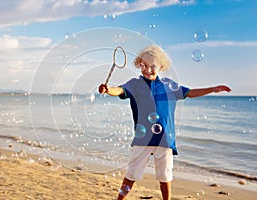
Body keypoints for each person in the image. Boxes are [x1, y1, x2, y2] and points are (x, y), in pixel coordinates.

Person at [98, 45, 231, 200]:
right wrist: (108, 90)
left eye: (152, 66)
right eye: (144, 66)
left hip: (165, 138)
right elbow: (119, 90)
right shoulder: (134, 84)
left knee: (165, 176)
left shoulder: (169, 86)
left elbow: (190, 92)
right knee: (132, 173)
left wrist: (213, 89)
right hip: (143, 138)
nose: (147, 70)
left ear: (161, 67)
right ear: (139, 65)